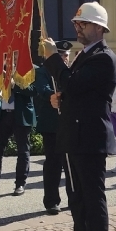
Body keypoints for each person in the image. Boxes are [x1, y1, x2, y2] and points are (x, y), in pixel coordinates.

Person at [41, 3, 116, 231]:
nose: (78, 28)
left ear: (99, 27)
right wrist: (60, 99)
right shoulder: (84, 56)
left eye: (83, 24)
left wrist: (52, 58)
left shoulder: (103, 57)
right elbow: (75, 92)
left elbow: (73, 84)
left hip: (89, 138)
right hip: (74, 136)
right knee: (76, 200)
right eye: (77, 23)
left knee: (92, 200)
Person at [33, 46, 71, 215]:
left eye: (67, 56)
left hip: (70, 123)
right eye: (61, 55)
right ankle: (51, 201)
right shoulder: (43, 71)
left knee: (71, 164)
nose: (65, 59)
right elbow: (42, 89)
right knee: (53, 164)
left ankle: (74, 198)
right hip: (52, 125)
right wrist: (55, 95)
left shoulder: (69, 71)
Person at [0, 79, 36, 197]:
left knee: (23, 151)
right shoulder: (0, 68)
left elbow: (34, 91)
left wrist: (15, 85)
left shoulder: (29, 67)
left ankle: (20, 184)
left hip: (20, 115)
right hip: (2, 116)